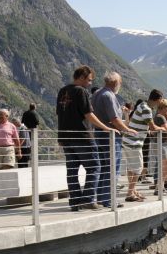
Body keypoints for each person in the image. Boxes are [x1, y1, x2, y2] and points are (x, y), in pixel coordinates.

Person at [56, 66, 114, 211]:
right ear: (81, 77)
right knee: (94, 166)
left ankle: (75, 202)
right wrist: (106, 127)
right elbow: (88, 114)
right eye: (88, 80)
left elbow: (60, 114)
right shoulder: (81, 91)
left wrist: (60, 136)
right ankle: (88, 200)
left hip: (65, 136)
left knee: (72, 170)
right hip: (82, 136)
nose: (89, 83)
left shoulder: (63, 91)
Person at [91, 72, 136, 208]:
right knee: (112, 168)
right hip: (110, 136)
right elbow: (114, 119)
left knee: (103, 167)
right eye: (120, 82)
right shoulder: (109, 96)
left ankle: (100, 198)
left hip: (98, 133)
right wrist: (127, 129)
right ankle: (109, 200)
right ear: (116, 83)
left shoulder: (97, 93)